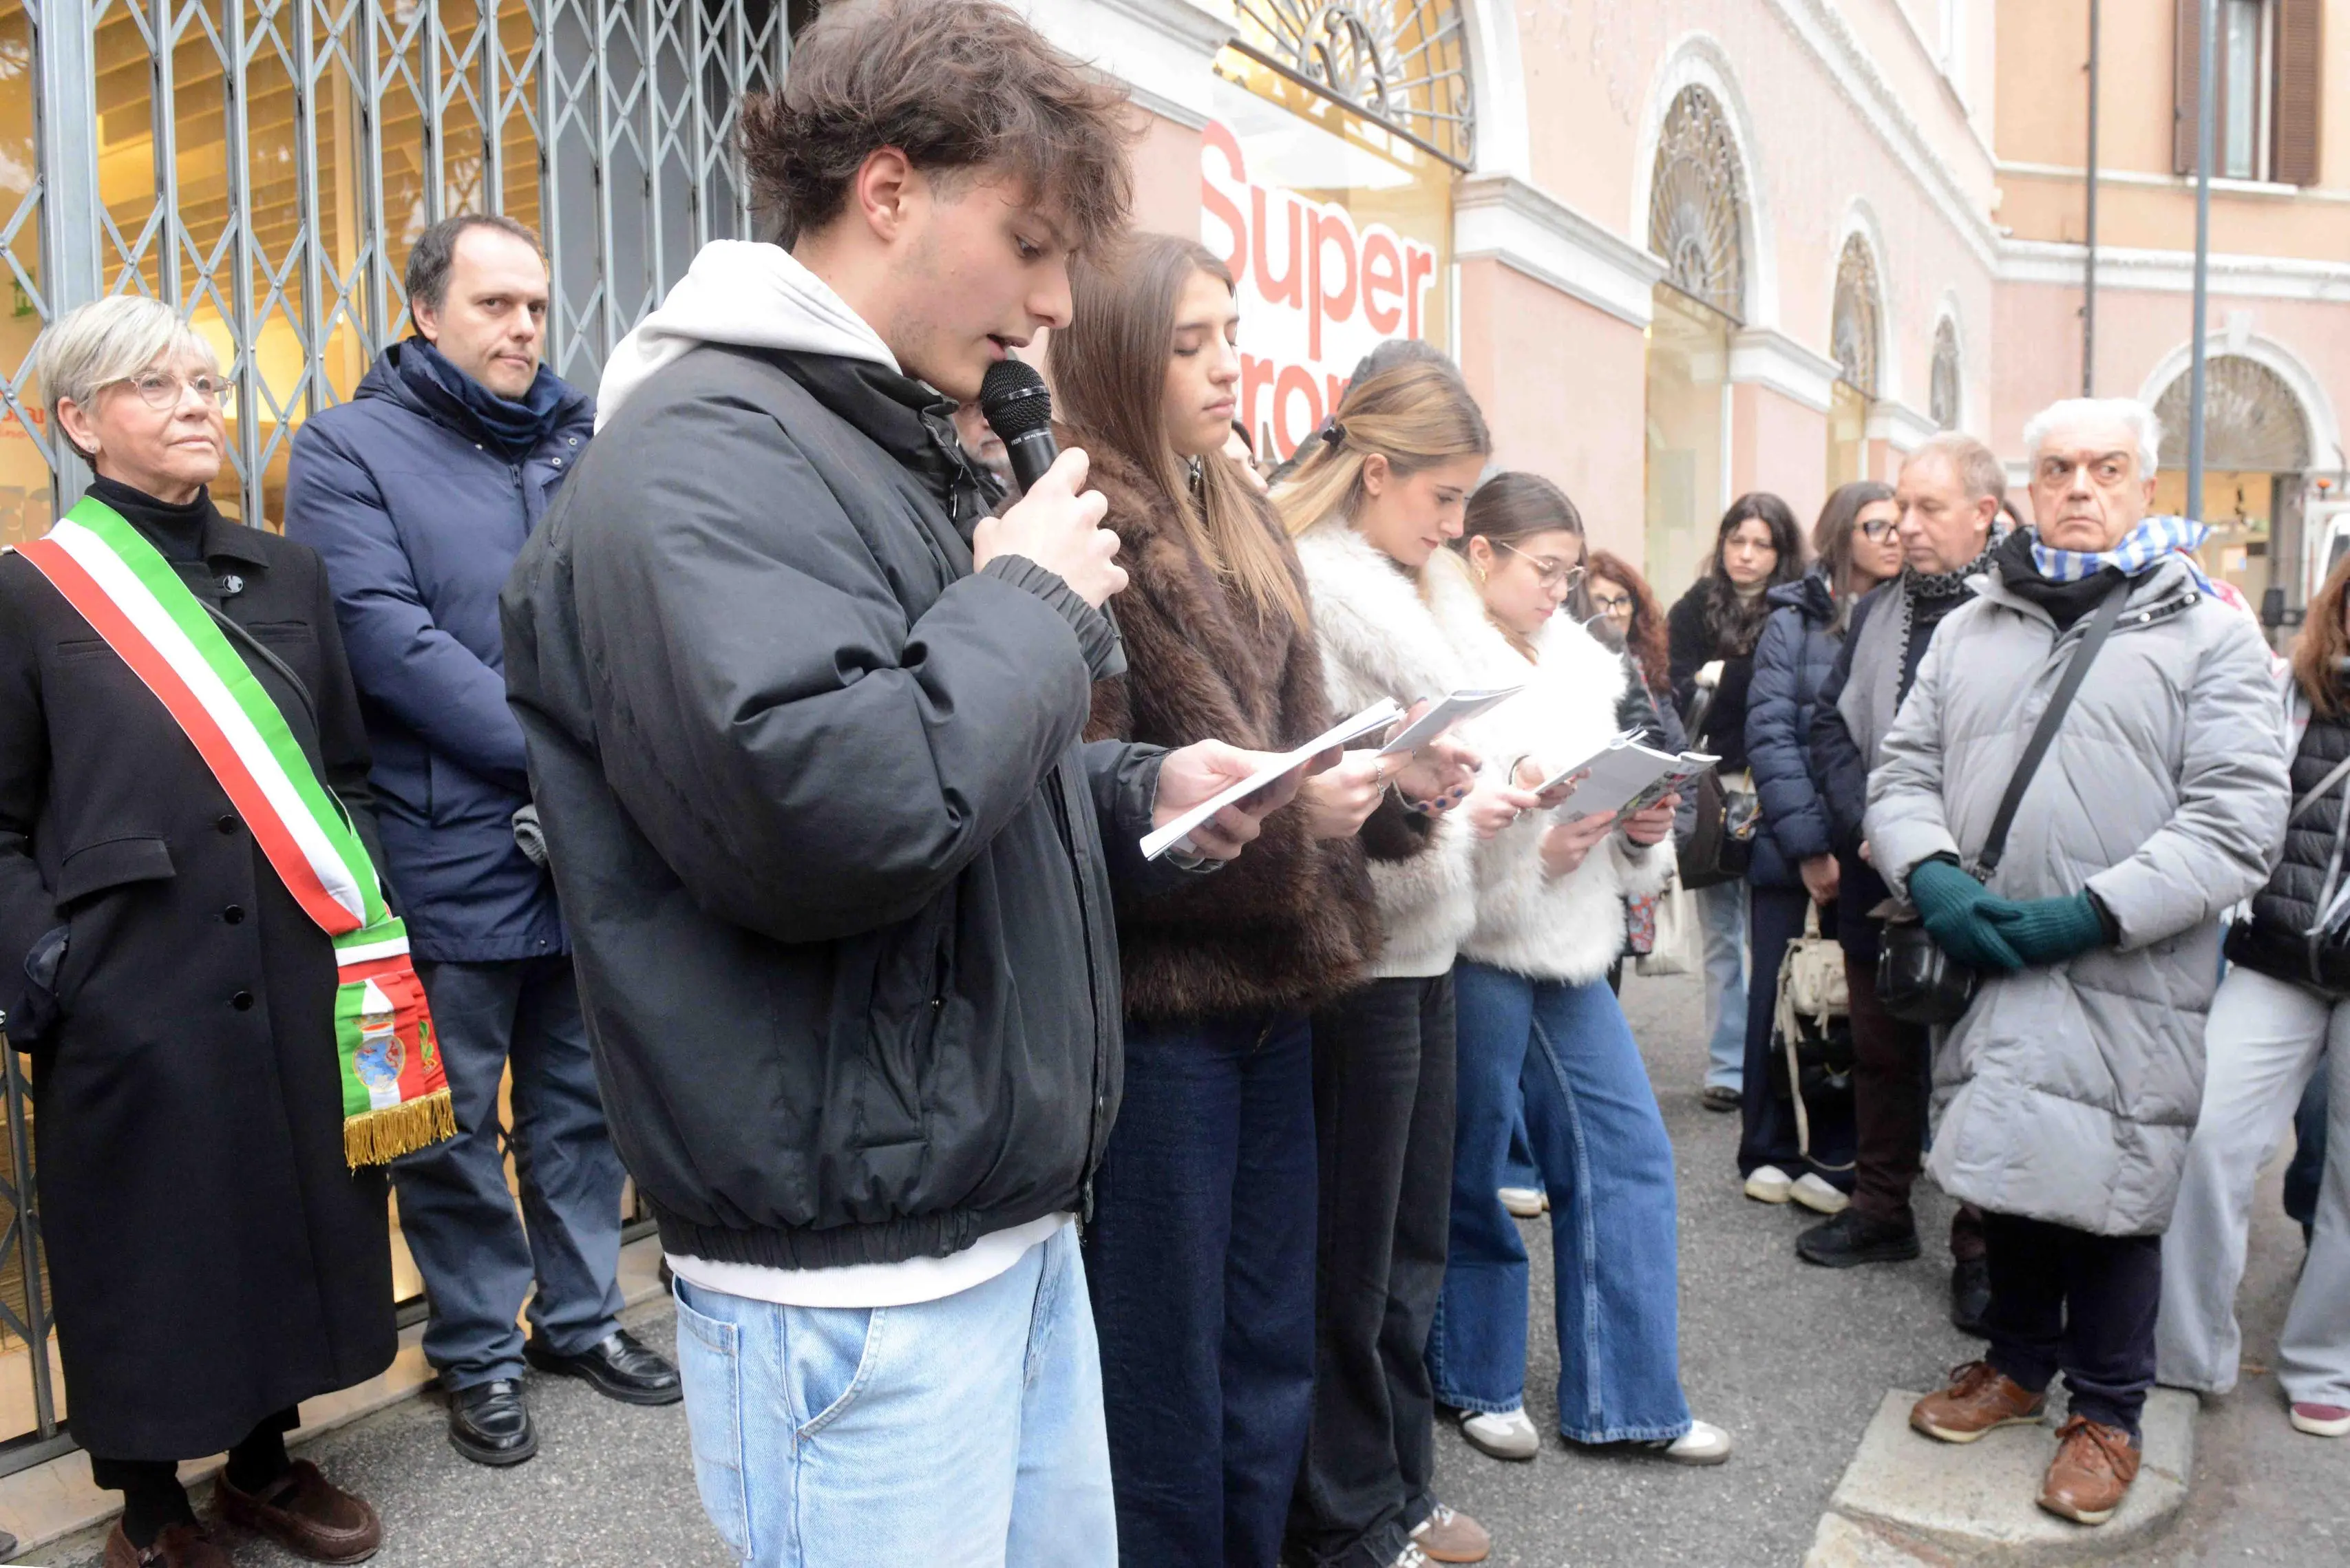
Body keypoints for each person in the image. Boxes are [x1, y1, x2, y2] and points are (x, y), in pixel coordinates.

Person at [499, 5, 1309, 1562]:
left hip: (983, 1222)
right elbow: (833, 809)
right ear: (887, 191)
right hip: (855, 1277)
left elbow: (957, 764)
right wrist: (1028, 604)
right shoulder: (699, 461)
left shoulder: (873, 444)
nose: (1056, 302)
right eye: (1028, 243)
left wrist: (1139, 791)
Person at [1052, 233, 1459, 1566]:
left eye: (1231, 332)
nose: (1230, 364)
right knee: (1166, 1363)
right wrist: (1297, 823)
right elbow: (1096, 802)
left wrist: (1390, 785)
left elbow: (1302, 735)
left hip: (1280, 991)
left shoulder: (1231, 500)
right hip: (1166, 1012)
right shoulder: (1083, 516)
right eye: (1191, 343)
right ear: (1118, 354)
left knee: (1271, 1334)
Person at [0, 297, 397, 1567]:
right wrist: (50, 965)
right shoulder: (29, 594)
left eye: (208, 384)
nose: (197, 407)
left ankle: (266, 1462)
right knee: (148, 1231)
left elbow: (342, 767)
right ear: (79, 420)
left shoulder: (287, 572)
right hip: (132, 981)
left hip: (290, 966)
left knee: (277, 1203)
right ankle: (150, 1501)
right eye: (157, 387)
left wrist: (366, 922)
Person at [285, 213, 679, 1468]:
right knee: (447, 1122)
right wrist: (559, 751)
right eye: (493, 304)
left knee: (580, 1102)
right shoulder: (347, 449)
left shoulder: (587, 442)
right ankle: (477, 1351)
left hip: (596, 842)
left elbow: (648, 605)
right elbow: (382, 635)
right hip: (450, 838)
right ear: (425, 314)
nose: (520, 328)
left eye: (534, 306)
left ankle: (577, 1318)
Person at [1870, 397, 2287, 1526]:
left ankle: (2106, 1409)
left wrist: (2090, 912)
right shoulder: (1972, 623)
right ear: (2026, 485)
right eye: (2055, 467)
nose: (2078, 488)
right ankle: (2013, 1364)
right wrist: (1932, 875)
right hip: (1983, 947)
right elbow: (1899, 775)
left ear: (2144, 488)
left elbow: (2238, 817)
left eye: (2106, 468)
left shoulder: (2206, 633)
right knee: (2007, 1157)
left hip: (2124, 966)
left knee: (2112, 1183)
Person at [1421, 473, 1730, 1472]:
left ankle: (1632, 1397)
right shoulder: (1429, 646)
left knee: (1629, 1150)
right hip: (1471, 940)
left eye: (1570, 570)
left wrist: (1639, 830)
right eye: (1544, 569)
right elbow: (1412, 835)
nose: (1563, 589)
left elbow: (1608, 818)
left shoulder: (1582, 659)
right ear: (1481, 555)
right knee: (1470, 1168)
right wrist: (1531, 856)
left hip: (1571, 937)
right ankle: (1475, 1376)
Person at [1280, 361, 1492, 1568]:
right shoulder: (1312, 582)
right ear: (1376, 470)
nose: (1455, 524)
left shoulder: (1419, 584)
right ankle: (1351, 1513)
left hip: (1425, 940)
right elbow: (1298, 771)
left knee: (1408, 1245)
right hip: (1355, 955)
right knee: (1350, 1261)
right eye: (1443, 495)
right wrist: (1408, 786)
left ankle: (1396, 1484)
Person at [1799, 436, 2006, 1331]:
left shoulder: (2020, 609)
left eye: (1924, 510)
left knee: (1976, 1063)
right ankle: (1881, 1211)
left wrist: (1939, 852)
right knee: (1880, 1048)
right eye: (1897, 507)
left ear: (1982, 514)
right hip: (1874, 869)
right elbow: (1828, 725)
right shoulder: (1880, 609)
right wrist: (1873, 830)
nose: (1901, 528)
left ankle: (1982, 1245)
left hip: (1977, 875)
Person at [2157, 549, 2350, 1439]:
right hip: (2277, 957)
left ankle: (2323, 1361)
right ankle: (2184, 1350)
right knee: (2203, 1135)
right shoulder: (2292, 692)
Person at [1735, 483, 1898, 1212]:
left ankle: (1832, 1153)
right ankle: (1768, 1144)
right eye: (1877, 525)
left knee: (1845, 1004)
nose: (1895, 537)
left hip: (1870, 847)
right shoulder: (1791, 619)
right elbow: (1770, 734)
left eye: (1902, 525)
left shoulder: (1906, 614)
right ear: (1842, 534)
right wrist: (1807, 845)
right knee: (1778, 993)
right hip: (1793, 844)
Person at [1667, 495, 1806, 1112]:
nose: (1746, 555)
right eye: (1736, 541)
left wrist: (1724, 675)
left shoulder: (1799, 608)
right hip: (1715, 785)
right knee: (1721, 932)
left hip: (1775, 786)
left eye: (1761, 544)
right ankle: (1728, 1064)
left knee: (1771, 933)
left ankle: (1771, 1055)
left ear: (1781, 552)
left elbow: (1793, 691)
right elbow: (1677, 684)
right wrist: (1727, 678)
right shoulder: (1693, 607)